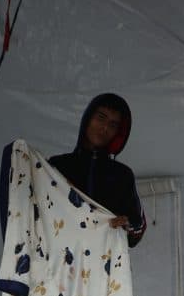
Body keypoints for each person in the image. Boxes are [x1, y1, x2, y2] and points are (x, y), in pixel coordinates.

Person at [49, 93, 147, 247]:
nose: (105, 128)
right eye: (101, 118)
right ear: (87, 119)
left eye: (113, 125)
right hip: (61, 263)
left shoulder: (122, 175)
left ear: (118, 133)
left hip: (103, 265)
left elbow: (138, 226)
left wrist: (128, 223)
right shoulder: (57, 166)